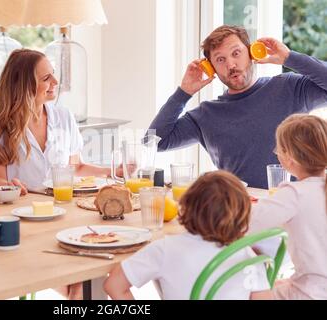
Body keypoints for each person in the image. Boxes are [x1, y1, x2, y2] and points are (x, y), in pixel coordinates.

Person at [148, 25, 327, 188]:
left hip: (295, 208)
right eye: (220, 60)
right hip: (238, 212)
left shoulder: (289, 87)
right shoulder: (206, 115)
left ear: (251, 53)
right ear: (212, 69)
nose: (231, 65)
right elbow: (154, 142)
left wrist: (289, 58)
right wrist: (183, 92)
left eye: (236, 53)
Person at [0, 49, 119, 195]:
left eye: (53, 74)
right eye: (46, 78)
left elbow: (77, 167)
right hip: (22, 209)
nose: (55, 82)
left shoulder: (64, 117)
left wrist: (112, 172)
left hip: (62, 205)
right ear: (24, 86)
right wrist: (10, 187)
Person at [104, 170, 270, 300]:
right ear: (242, 214)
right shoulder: (247, 255)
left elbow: (114, 285)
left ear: (186, 205)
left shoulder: (165, 249)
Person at [248, 114, 327, 300]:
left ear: (289, 158)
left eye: (278, 150)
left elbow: (246, 224)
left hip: (310, 294)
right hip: (315, 288)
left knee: (244, 289)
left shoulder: (294, 193)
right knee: (276, 283)